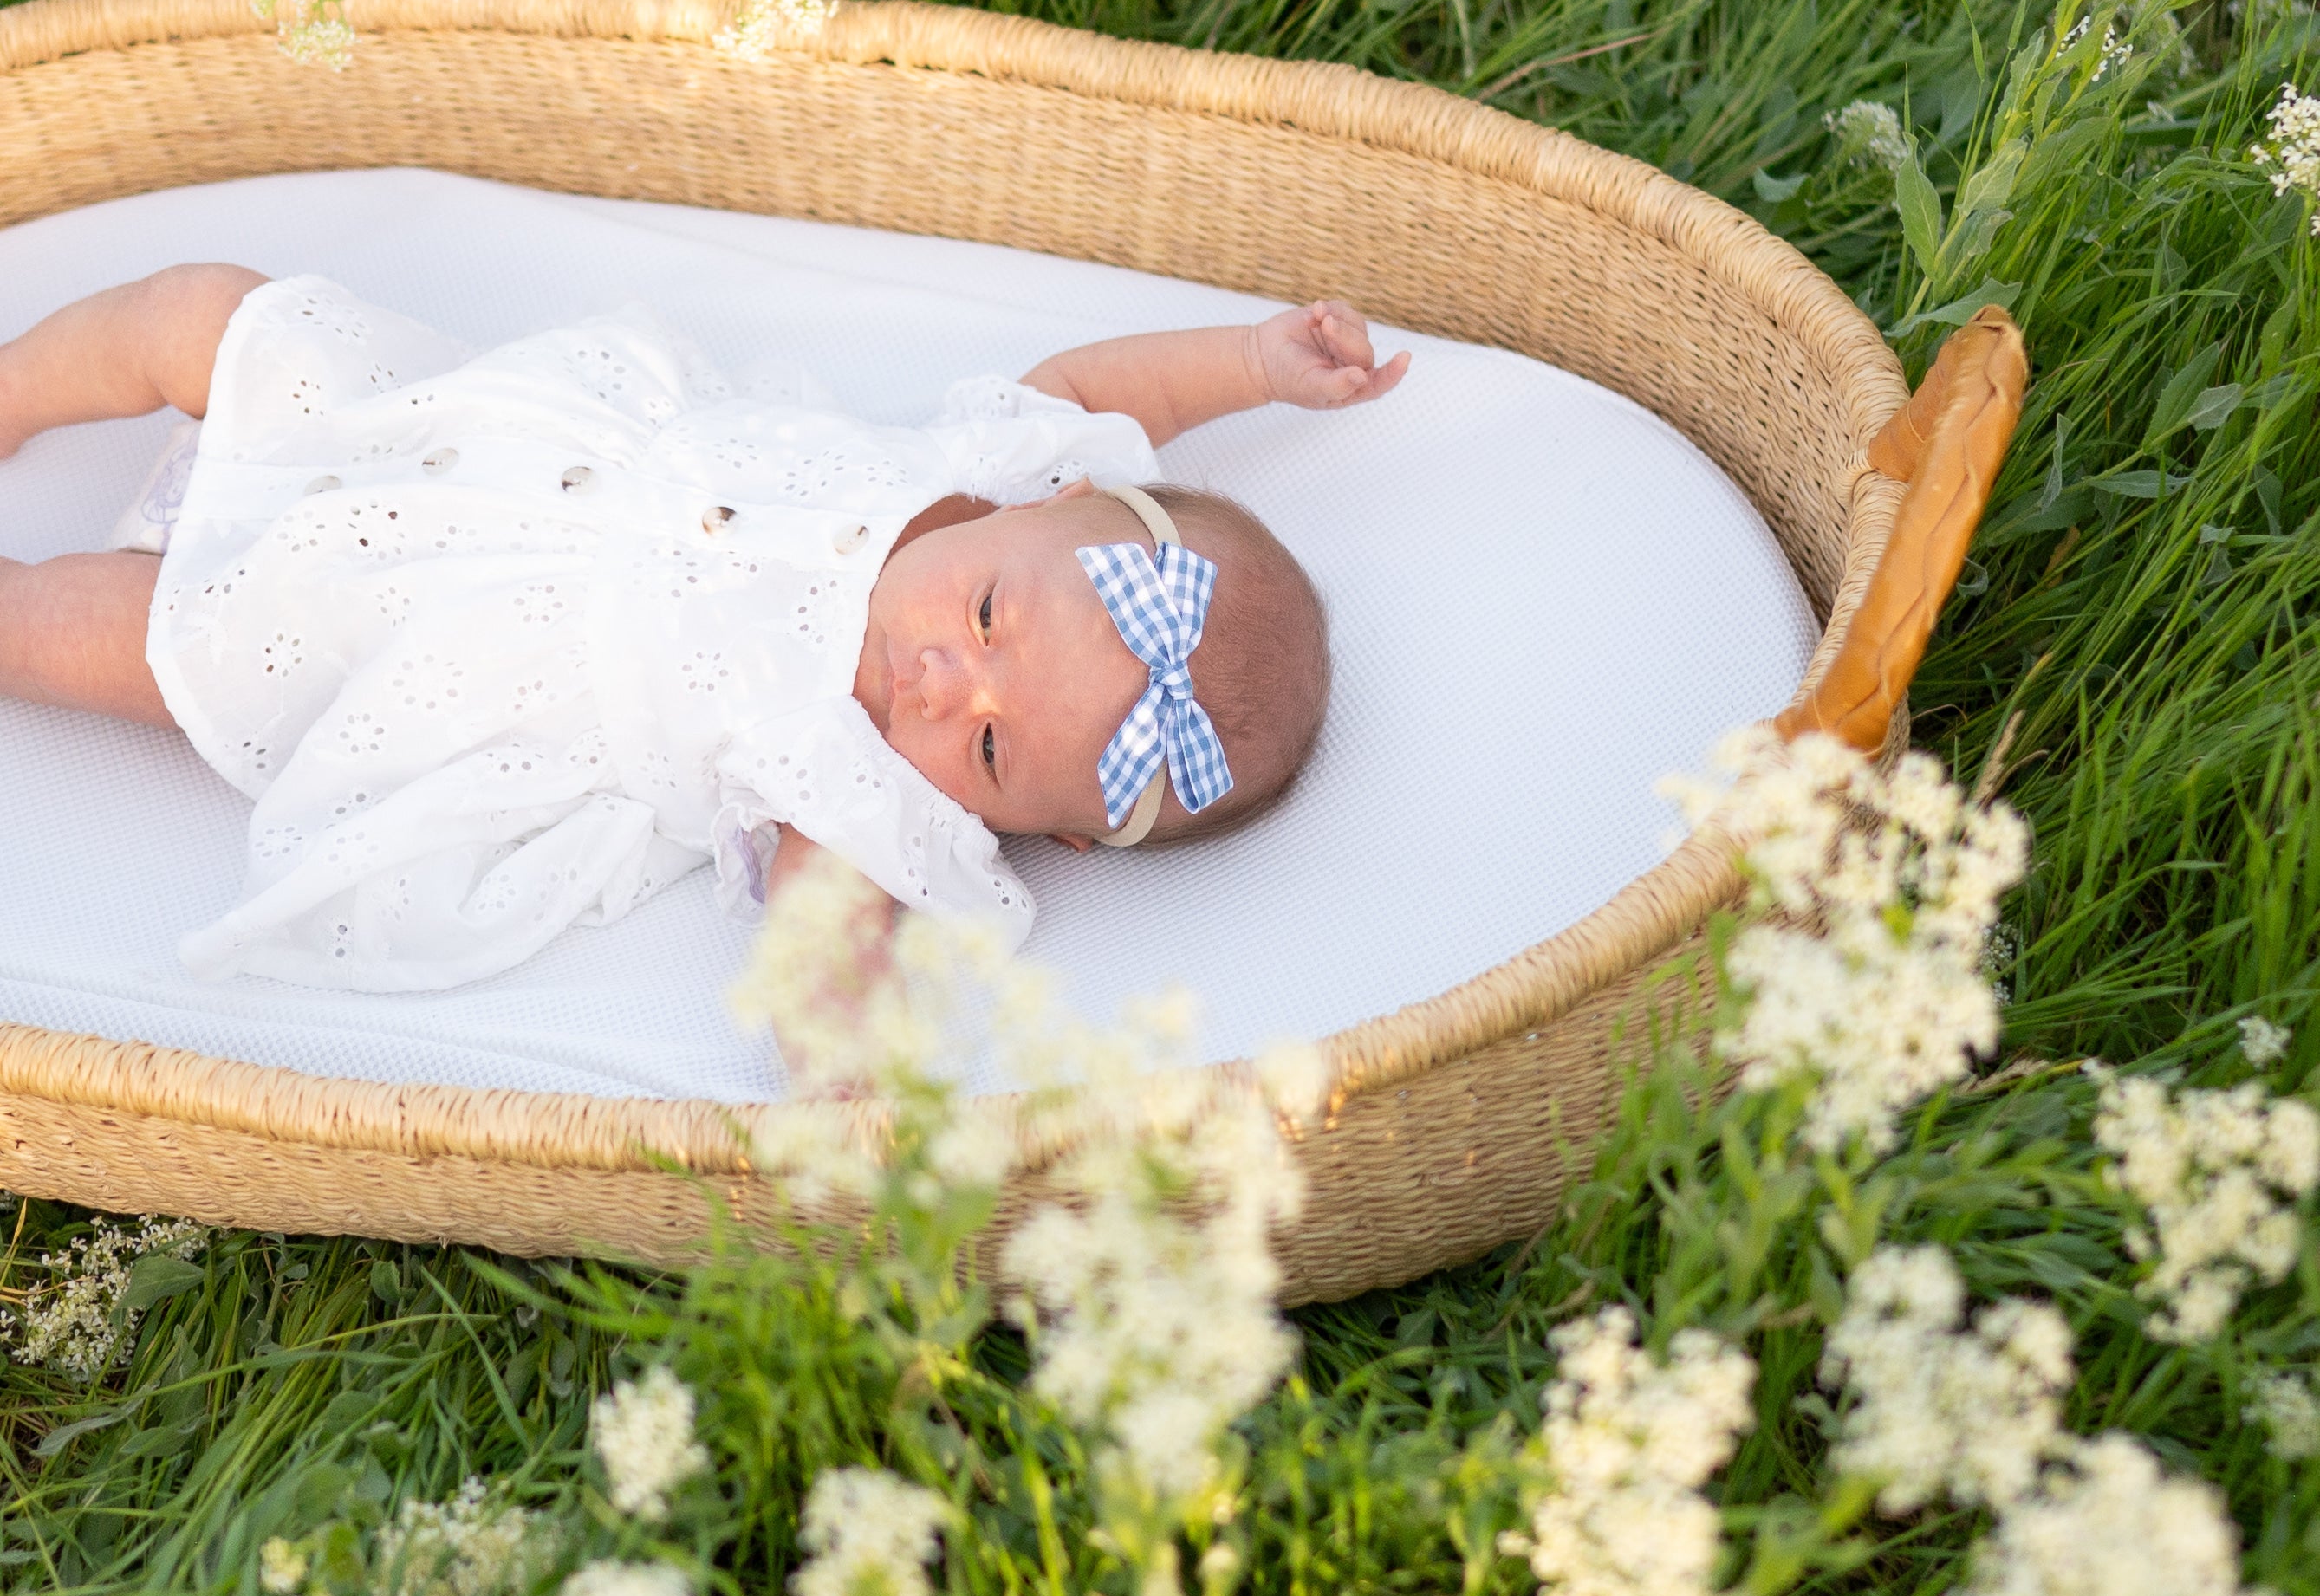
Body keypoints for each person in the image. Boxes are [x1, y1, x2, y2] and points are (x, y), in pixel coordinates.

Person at [0, 262, 1407, 988]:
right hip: (454, 433)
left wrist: (845, 1077)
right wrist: (1252, 362)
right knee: (208, 314)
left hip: (409, 643)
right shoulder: (974, 457)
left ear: (1043, 828)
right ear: (1053, 493)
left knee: (121, 643)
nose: (937, 686)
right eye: (984, 620)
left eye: (985, 753)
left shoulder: (842, 776)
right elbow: (1108, 383)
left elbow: (817, 941)